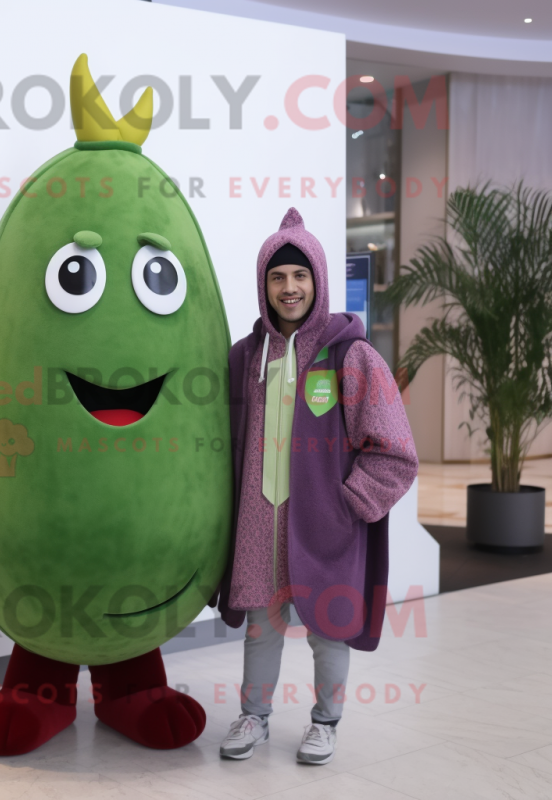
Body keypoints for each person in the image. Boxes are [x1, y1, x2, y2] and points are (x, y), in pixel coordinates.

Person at [213, 207, 418, 764]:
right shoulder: (245, 357)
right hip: (259, 518)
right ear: (264, 286)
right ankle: (254, 717)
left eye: (300, 275)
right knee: (261, 626)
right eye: (277, 276)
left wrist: (347, 504)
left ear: (319, 280)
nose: (289, 287)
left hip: (324, 523)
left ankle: (325, 723)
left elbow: (396, 451)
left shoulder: (351, 356)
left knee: (329, 629)